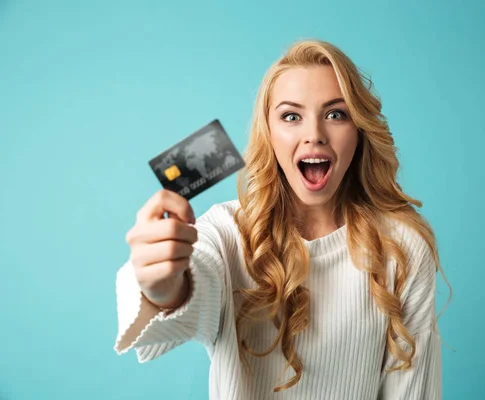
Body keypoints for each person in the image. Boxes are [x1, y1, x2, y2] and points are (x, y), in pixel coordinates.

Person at [113, 39, 451, 400]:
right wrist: (162, 287)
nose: (314, 136)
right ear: (270, 133)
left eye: (336, 114)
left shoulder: (401, 248)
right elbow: (191, 292)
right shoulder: (228, 233)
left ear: (360, 132)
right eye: (291, 116)